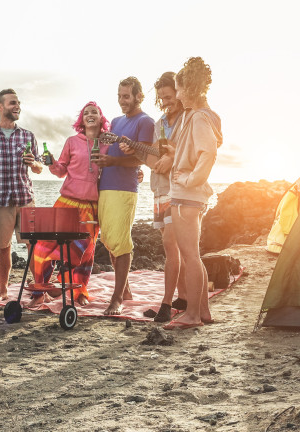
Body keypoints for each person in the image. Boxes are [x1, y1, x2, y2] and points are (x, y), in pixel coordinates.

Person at [28, 102, 111, 307]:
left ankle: (78, 291)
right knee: (43, 246)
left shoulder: (108, 144)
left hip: (91, 206)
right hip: (66, 202)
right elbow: (61, 171)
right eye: (86, 113)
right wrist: (51, 163)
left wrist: (136, 173)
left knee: (84, 252)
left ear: (101, 119)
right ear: (81, 121)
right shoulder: (72, 142)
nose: (90, 115)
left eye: (95, 112)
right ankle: (40, 291)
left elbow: (116, 169)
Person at [162, 57, 222, 330]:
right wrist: (178, 157)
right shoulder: (203, 116)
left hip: (187, 195)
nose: (177, 95)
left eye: (179, 89)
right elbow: (197, 150)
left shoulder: (198, 117)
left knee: (190, 257)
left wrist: (187, 179)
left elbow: (208, 153)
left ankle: (192, 315)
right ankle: (204, 311)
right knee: (193, 254)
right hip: (192, 195)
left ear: (191, 89)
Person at [128, 72, 188, 322]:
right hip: (160, 190)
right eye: (161, 97)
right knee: (173, 247)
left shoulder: (188, 119)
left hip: (181, 190)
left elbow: (191, 152)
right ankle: (183, 297)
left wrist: (172, 158)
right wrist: (136, 150)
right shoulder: (160, 123)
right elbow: (153, 161)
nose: (165, 101)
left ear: (179, 94)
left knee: (171, 247)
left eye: (169, 96)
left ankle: (166, 303)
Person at [93, 77, 154, 315]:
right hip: (105, 186)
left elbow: (142, 158)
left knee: (121, 241)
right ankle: (125, 288)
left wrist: (114, 161)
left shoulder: (145, 121)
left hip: (124, 188)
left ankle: (116, 298)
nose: (122, 101)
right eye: (119, 96)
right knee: (108, 239)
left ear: (139, 96)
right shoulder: (116, 122)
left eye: (126, 96)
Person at [0, 89, 44, 301]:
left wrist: (33, 162)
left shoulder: (27, 136)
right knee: (3, 247)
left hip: (25, 198)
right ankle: (3, 291)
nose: (17, 107)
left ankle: (38, 290)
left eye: (18, 103)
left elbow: (39, 167)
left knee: (32, 245)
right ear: (0, 106)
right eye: (12, 103)